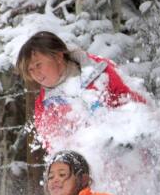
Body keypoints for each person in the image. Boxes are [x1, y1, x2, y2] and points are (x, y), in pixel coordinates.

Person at [15, 31, 146, 149]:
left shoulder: (98, 70)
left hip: (129, 148)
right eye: (30, 70)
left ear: (58, 56)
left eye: (38, 65)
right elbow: (55, 146)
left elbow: (132, 102)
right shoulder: (45, 106)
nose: (36, 73)